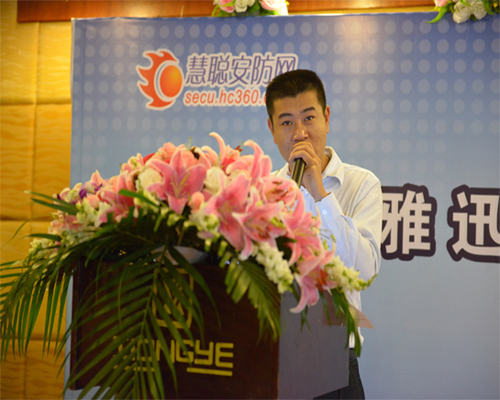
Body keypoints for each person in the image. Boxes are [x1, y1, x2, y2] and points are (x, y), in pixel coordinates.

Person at [266, 69, 382, 399]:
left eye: (309, 118)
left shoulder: (361, 184)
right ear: (272, 129)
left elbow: (364, 270)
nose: (300, 133)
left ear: (327, 118)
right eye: (287, 122)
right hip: (271, 360)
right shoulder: (264, 190)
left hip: (333, 365)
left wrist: (320, 194)